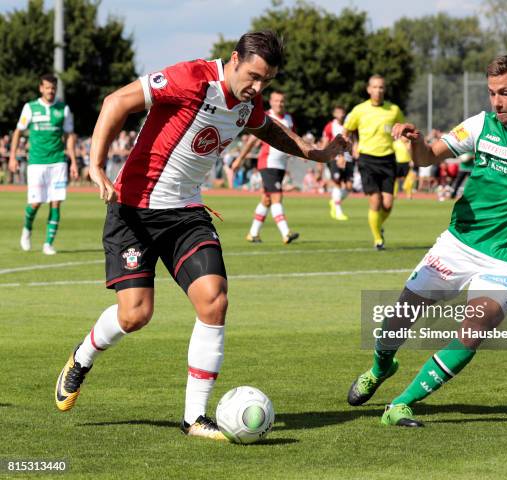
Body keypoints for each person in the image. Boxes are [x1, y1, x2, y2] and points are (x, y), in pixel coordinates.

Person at [54, 31, 347, 439]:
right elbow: (116, 102)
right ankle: (81, 358)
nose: (258, 88)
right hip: (133, 209)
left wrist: (315, 153)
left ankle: (194, 418)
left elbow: (270, 130)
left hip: (186, 213)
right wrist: (96, 165)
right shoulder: (192, 78)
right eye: (253, 76)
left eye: (267, 81)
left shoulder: (249, 102)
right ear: (233, 59)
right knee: (135, 315)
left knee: (214, 300)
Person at [346, 54, 507, 427]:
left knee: (475, 328)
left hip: (504, 260)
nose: (497, 102)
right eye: (492, 93)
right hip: (456, 246)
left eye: (506, 92)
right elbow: (427, 158)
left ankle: (401, 405)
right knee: (398, 319)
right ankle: (380, 367)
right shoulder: (480, 125)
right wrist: (415, 142)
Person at [8, 74, 78, 255]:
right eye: (47, 87)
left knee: (56, 203)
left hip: (58, 163)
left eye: (53, 87)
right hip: (36, 163)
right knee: (36, 203)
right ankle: (26, 230)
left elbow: (69, 136)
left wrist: (73, 162)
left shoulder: (63, 109)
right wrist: (13, 157)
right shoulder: (30, 108)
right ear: (41, 88)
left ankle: (48, 243)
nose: (50, 90)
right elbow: (18, 132)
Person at [344, 75, 405, 250]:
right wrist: (343, 151)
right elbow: (346, 130)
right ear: (368, 89)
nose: (378, 90)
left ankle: (377, 225)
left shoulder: (394, 110)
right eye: (375, 87)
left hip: (388, 159)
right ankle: (378, 239)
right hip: (367, 159)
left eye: (381, 87)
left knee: (388, 204)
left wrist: (407, 145)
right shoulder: (359, 110)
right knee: (375, 201)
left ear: (384, 90)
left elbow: (404, 129)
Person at [232, 91, 299, 244]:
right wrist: (240, 159)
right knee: (277, 197)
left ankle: (253, 233)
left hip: (281, 165)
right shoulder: (265, 117)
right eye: (276, 101)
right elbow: (251, 141)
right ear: (271, 102)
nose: (279, 103)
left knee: (267, 199)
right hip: (268, 163)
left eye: (282, 101)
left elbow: (294, 140)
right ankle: (286, 233)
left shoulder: (289, 119)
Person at [323, 105, 353, 220]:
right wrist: (322, 155)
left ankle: (335, 201)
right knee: (337, 183)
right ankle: (338, 211)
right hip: (334, 158)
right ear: (334, 114)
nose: (341, 114)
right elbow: (325, 142)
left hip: (348, 158)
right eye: (338, 112)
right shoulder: (330, 126)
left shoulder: (349, 125)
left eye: (342, 112)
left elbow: (353, 139)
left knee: (349, 186)